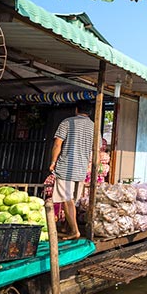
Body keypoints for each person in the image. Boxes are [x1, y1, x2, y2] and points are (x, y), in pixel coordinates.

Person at [48, 101, 95, 240]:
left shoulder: (67, 122)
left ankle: (74, 231)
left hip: (66, 167)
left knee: (67, 200)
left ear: (76, 110)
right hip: (81, 169)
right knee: (72, 200)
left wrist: (53, 161)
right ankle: (67, 228)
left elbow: (57, 144)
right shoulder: (94, 126)